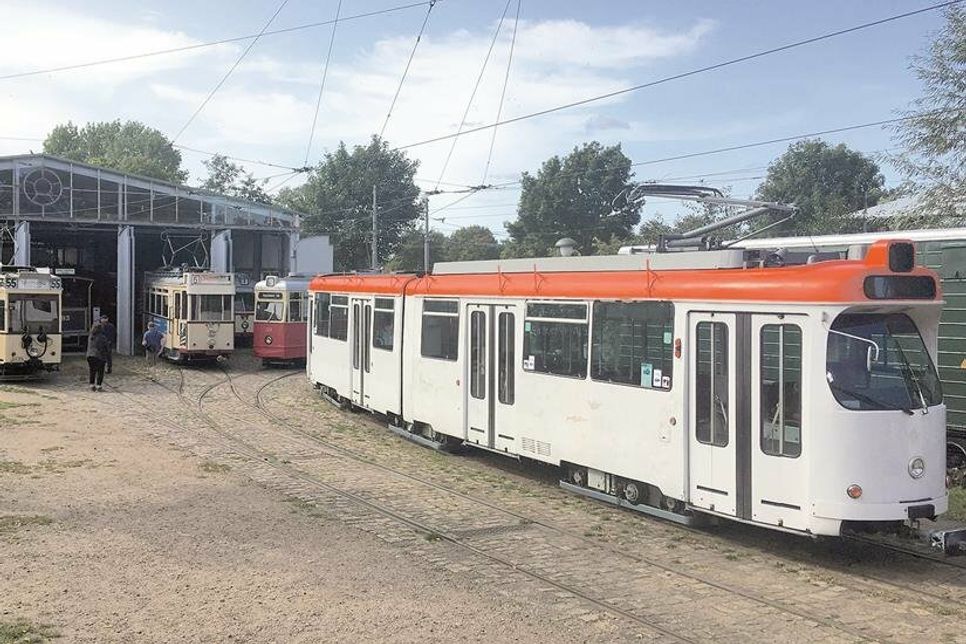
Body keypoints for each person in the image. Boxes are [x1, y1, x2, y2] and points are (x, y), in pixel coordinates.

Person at [86, 324, 110, 392]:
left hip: (90, 355)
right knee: (100, 371)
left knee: (92, 371)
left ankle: (92, 385)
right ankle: (99, 386)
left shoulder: (90, 336)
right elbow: (106, 347)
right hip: (99, 356)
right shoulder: (102, 337)